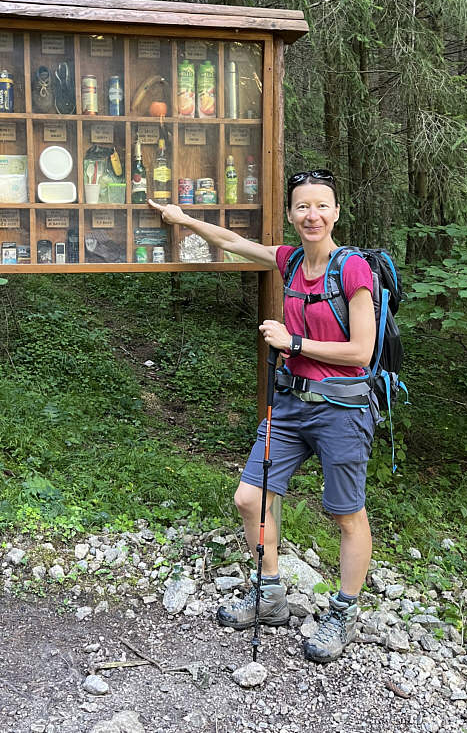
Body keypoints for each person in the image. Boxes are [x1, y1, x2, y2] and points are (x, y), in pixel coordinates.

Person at [147, 169, 377, 663]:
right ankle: (269, 594)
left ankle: (344, 611)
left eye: (321, 206)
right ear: (291, 214)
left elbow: (361, 350)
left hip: (341, 407)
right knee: (249, 498)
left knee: (345, 512)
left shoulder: (354, 268)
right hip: (291, 403)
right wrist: (182, 217)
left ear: (336, 212)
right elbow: (232, 241)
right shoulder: (290, 260)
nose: (311, 215)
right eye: (301, 207)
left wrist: (293, 342)